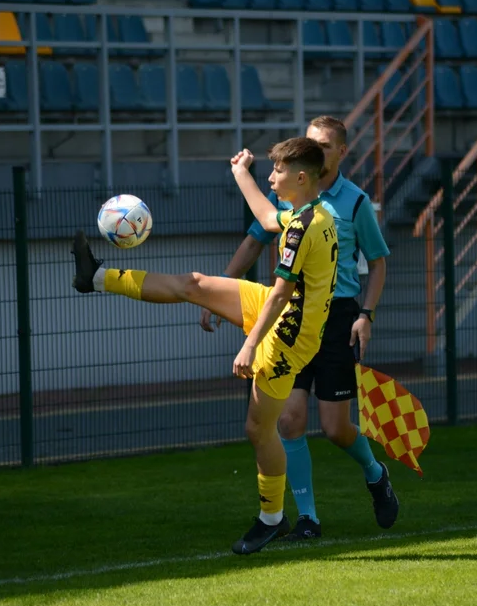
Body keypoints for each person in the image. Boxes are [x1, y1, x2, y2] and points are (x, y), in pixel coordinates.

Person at [71, 137, 338, 555]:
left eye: (277, 172)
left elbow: (282, 294)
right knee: (193, 284)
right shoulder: (309, 213)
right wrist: (240, 174)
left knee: (258, 428)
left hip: (288, 339)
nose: (270, 177)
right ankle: (96, 277)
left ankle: (272, 518)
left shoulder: (306, 227)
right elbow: (269, 219)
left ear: (300, 177)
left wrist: (250, 345)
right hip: (283, 312)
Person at [199, 116, 397, 542]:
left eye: (325, 145)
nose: (317, 149)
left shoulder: (356, 203)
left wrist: (367, 314)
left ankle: (375, 473)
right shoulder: (289, 195)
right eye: (311, 142)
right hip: (292, 318)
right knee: (288, 420)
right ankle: (307, 518)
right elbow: (257, 237)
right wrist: (220, 291)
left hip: (338, 319)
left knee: (335, 428)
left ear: (341, 152)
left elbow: (378, 262)